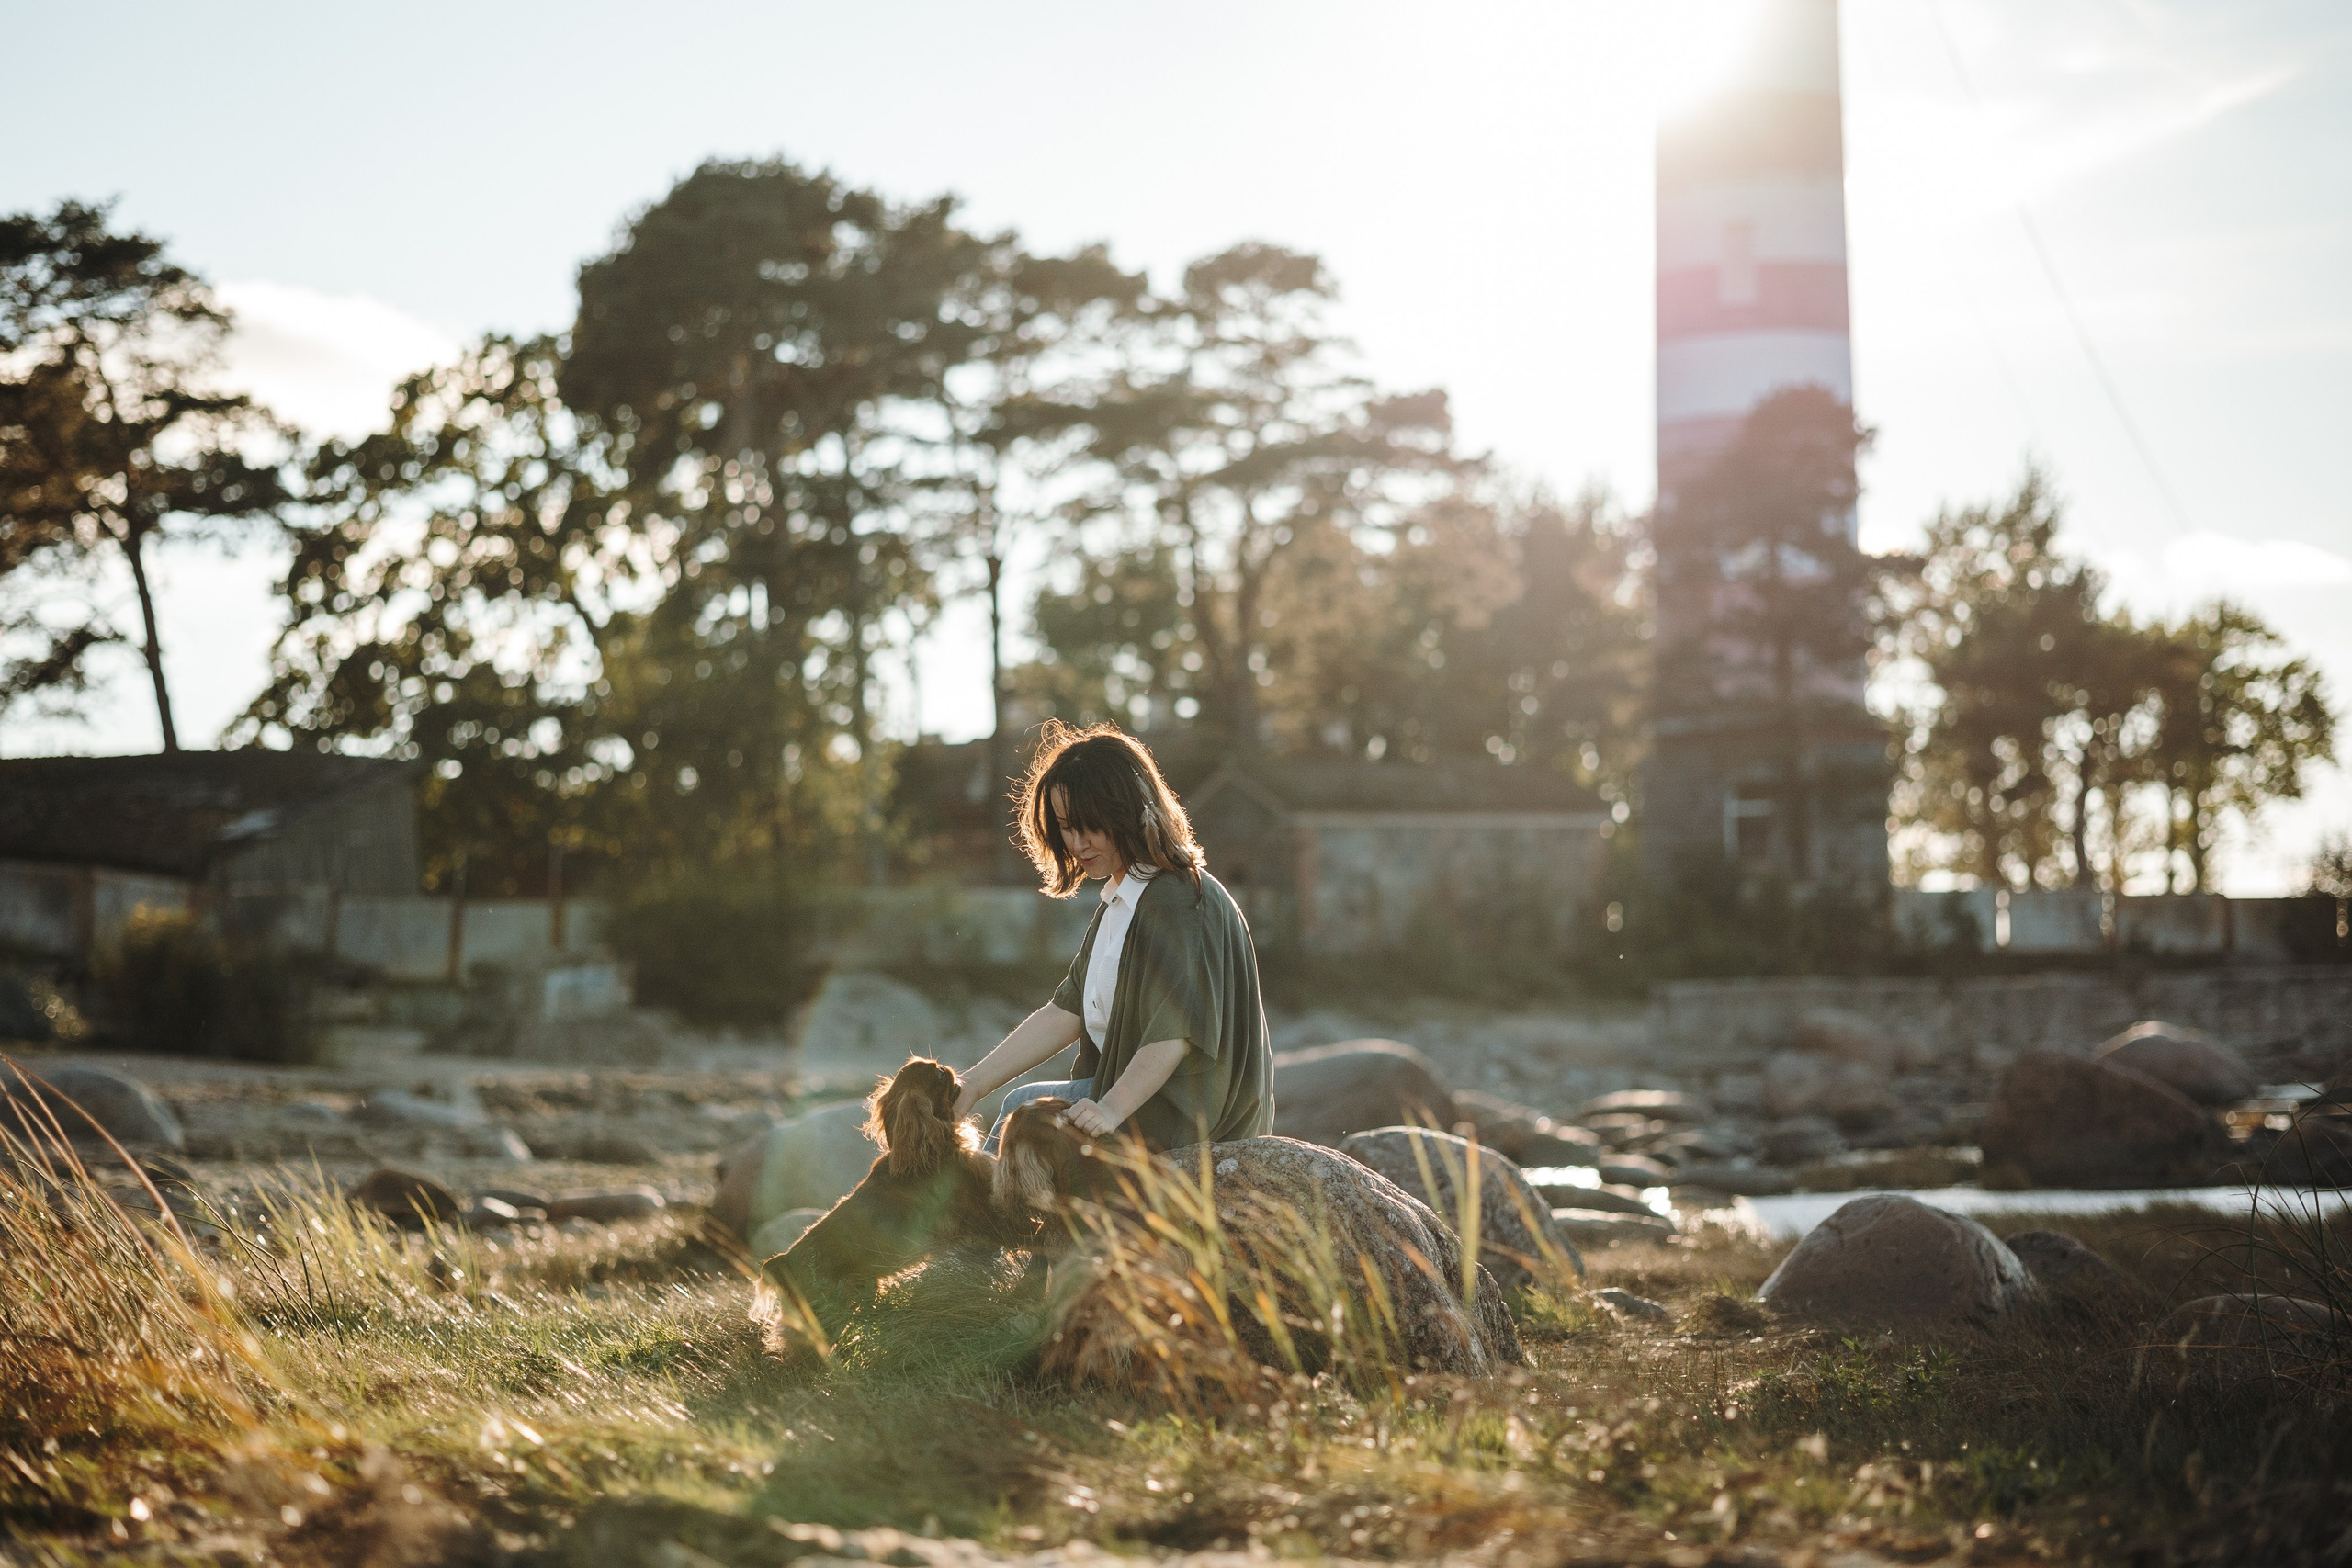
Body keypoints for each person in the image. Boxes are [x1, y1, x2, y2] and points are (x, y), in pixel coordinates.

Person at [956, 721, 1274, 1155]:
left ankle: (977, 1221)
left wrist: (1109, 1109)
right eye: (1066, 827)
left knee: (1022, 1112)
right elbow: (1065, 1013)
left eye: (1092, 825)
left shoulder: (1177, 898)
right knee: (1023, 1109)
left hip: (1191, 1115)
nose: (1077, 842)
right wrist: (972, 1084)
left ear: (1131, 811)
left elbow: (1176, 1032)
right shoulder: (1124, 899)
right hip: (1136, 1100)